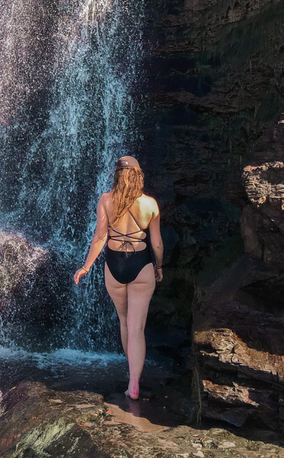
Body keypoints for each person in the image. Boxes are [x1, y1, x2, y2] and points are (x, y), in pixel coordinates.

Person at [73, 155, 163, 400]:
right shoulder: (150, 204)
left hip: (114, 266)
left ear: (117, 176)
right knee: (137, 328)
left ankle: (130, 375)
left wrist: (86, 266)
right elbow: (155, 242)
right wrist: (160, 265)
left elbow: (100, 237)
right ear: (138, 176)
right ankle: (134, 383)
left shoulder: (105, 200)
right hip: (141, 265)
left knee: (124, 322)